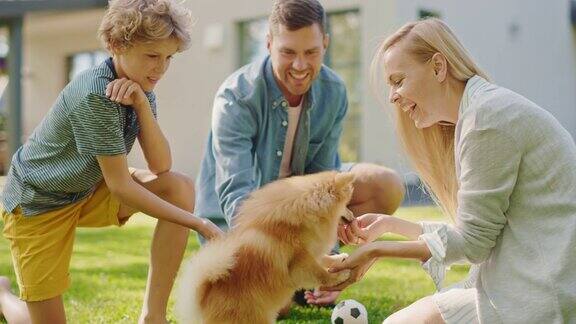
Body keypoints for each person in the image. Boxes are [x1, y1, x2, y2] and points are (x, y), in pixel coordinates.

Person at [324, 18, 576, 324]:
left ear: (439, 67)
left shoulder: (487, 119)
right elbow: (475, 230)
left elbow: (472, 244)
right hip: (526, 281)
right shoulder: (478, 114)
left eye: (398, 80)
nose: (392, 96)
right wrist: (390, 224)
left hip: (542, 295)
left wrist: (375, 251)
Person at [0, 1, 222, 323]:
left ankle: (153, 316)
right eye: (152, 56)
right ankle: (3, 296)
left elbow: (161, 166)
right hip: (37, 205)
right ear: (117, 45)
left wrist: (142, 106)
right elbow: (121, 188)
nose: (160, 68)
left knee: (178, 187)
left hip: (87, 188)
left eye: (168, 58)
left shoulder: (139, 84)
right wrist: (198, 222)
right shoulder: (96, 94)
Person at [195, 0, 405, 310]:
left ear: (325, 44)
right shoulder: (236, 97)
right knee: (274, 306)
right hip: (247, 226)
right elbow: (237, 197)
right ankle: (290, 284)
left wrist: (327, 264)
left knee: (386, 185)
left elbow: (325, 181)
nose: (299, 65)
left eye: (311, 52)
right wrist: (274, 262)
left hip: (298, 210)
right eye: (288, 52)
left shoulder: (333, 91)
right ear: (269, 44)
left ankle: (302, 281)